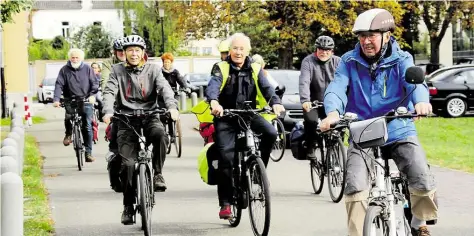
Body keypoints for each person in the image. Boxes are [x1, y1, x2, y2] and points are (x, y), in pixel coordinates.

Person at [320, 9, 437, 236]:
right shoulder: (348, 61)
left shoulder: (402, 58)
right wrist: (333, 113)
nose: (366, 41)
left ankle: (418, 221)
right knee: (354, 186)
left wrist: (421, 102)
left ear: (386, 35)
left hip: (398, 127)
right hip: (362, 130)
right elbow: (336, 88)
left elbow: (415, 84)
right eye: (362, 36)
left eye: (371, 35)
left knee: (421, 175)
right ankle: (359, 232)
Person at [205, 32, 285, 219]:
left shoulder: (255, 68)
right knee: (226, 157)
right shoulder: (221, 67)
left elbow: (266, 87)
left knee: (271, 133)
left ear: (247, 51)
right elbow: (213, 87)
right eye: (235, 48)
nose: (238, 52)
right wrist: (214, 103)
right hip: (226, 116)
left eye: (242, 49)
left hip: (249, 114)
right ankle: (225, 203)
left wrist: (275, 101)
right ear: (229, 50)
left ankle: (258, 171)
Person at [102, 34, 179, 225]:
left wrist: (172, 107)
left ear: (143, 52)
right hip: (125, 120)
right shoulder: (116, 70)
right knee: (127, 165)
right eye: (130, 50)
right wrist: (108, 111)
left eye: (137, 50)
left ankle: (158, 173)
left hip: (150, 116)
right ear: (124, 53)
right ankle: (128, 207)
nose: (134, 54)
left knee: (160, 134)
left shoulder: (153, 69)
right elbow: (109, 91)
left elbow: (165, 89)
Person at [53, 48, 98, 162]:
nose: (75, 59)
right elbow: (59, 84)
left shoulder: (88, 69)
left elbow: (94, 83)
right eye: (73, 57)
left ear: (81, 58)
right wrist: (57, 99)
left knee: (87, 126)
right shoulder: (64, 70)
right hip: (70, 99)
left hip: (86, 99)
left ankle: (88, 153)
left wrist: (92, 95)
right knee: (68, 117)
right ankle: (68, 135)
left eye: (77, 57)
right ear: (69, 58)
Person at [299, 35, 341, 157]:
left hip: (333, 103)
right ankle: (311, 145)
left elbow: (345, 81)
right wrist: (305, 100)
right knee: (311, 121)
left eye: (327, 50)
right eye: (321, 49)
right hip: (314, 102)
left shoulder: (338, 62)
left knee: (340, 125)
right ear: (316, 49)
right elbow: (304, 81)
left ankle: (334, 151)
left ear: (332, 51)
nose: (324, 52)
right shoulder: (308, 61)